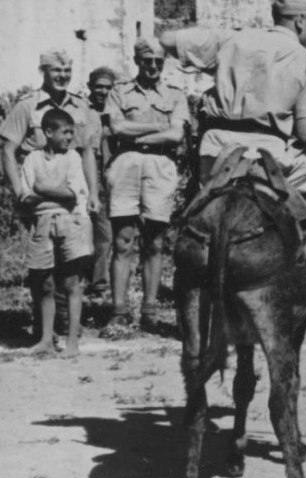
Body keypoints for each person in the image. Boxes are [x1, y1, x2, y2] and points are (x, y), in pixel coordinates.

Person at [158, 0, 306, 309]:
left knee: (201, 202)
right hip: (267, 156)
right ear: (300, 21)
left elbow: (166, 39)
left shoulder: (232, 39)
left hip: (216, 154)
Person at [104, 38, 189, 332]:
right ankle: (119, 310)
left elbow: (176, 135)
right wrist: (158, 126)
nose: (153, 66)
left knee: (155, 241)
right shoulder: (119, 92)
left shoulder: (175, 95)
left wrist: (135, 133)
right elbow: (117, 128)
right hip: (126, 163)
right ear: (137, 61)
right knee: (123, 239)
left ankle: (149, 311)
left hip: (160, 165)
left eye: (158, 61)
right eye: (147, 60)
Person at [18, 108, 93, 357]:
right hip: (41, 223)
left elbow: (72, 194)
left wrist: (42, 188)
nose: (70, 137)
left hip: (71, 221)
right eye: (65, 132)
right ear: (48, 132)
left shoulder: (73, 158)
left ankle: (72, 341)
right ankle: (46, 339)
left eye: (72, 132)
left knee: (72, 282)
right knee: (46, 284)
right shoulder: (32, 159)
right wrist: (52, 191)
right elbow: (26, 197)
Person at [0, 50, 102, 227]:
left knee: (76, 240)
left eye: (67, 70)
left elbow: (87, 152)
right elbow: (8, 151)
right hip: (38, 196)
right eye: (56, 70)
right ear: (43, 71)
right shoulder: (27, 106)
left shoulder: (81, 106)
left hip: (71, 195)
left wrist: (93, 193)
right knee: (38, 241)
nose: (63, 76)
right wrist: (19, 192)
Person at [85, 66, 118, 299]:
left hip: (111, 174)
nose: (103, 92)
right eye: (99, 87)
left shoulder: (116, 111)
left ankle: (100, 282)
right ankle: (95, 282)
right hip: (87, 174)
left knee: (106, 232)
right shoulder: (83, 111)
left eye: (108, 87)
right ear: (90, 87)